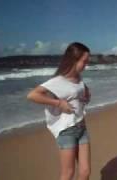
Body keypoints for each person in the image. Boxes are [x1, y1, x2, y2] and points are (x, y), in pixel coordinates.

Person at [27, 42, 91, 180]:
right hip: (66, 130)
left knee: (85, 172)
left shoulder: (78, 77)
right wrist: (58, 103)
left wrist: (86, 93)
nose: (86, 65)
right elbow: (32, 95)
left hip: (81, 126)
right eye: (84, 62)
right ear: (73, 60)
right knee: (68, 174)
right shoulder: (57, 81)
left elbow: (80, 88)